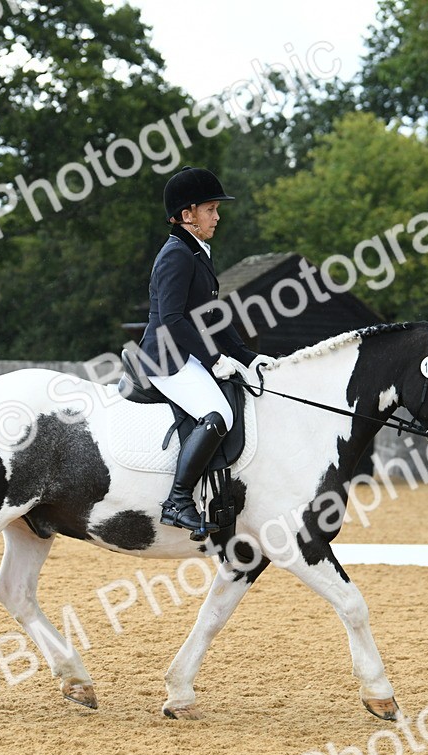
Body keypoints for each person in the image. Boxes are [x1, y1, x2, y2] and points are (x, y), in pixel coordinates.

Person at [137, 166, 274, 539]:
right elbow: (172, 320)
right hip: (165, 356)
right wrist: (215, 360)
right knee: (218, 414)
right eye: (211, 209)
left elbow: (212, 315)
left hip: (184, 351)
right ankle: (178, 500)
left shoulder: (197, 252)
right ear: (187, 215)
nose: (218, 216)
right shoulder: (176, 255)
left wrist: (247, 357)